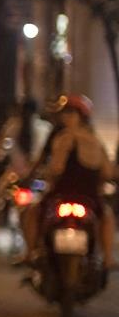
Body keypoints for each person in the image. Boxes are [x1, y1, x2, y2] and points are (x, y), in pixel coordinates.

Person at [30, 93, 115, 266]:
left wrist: (45, 175)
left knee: (32, 211)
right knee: (106, 215)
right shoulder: (95, 140)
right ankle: (108, 258)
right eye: (64, 113)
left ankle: (31, 251)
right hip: (90, 197)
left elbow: (55, 168)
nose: (65, 117)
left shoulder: (64, 138)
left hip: (60, 194)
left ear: (80, 116)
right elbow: (107, 172)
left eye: (70, 113)